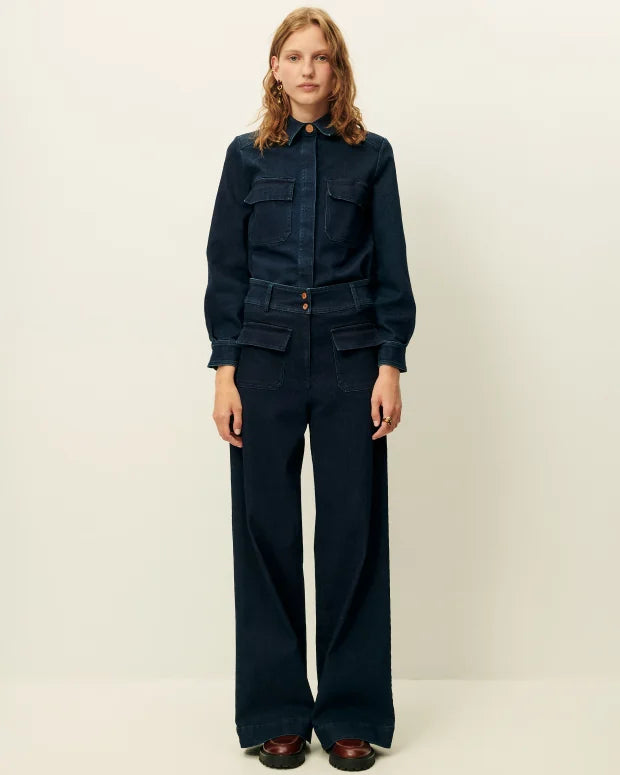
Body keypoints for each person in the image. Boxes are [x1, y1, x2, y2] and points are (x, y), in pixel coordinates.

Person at [204, 8, 416, 771]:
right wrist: (224, 371)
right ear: (274, 68)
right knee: (265, 531)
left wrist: (389, 363)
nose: (306, 69)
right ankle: (278, 711)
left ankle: (351, 712)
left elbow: (391, 268)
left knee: (352, 531)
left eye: (319, 57)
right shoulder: (245, 158)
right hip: (262, 357)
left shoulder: (372, 157)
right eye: (293, 56)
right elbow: (225, 270)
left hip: (348, 357)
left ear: (337, 70)